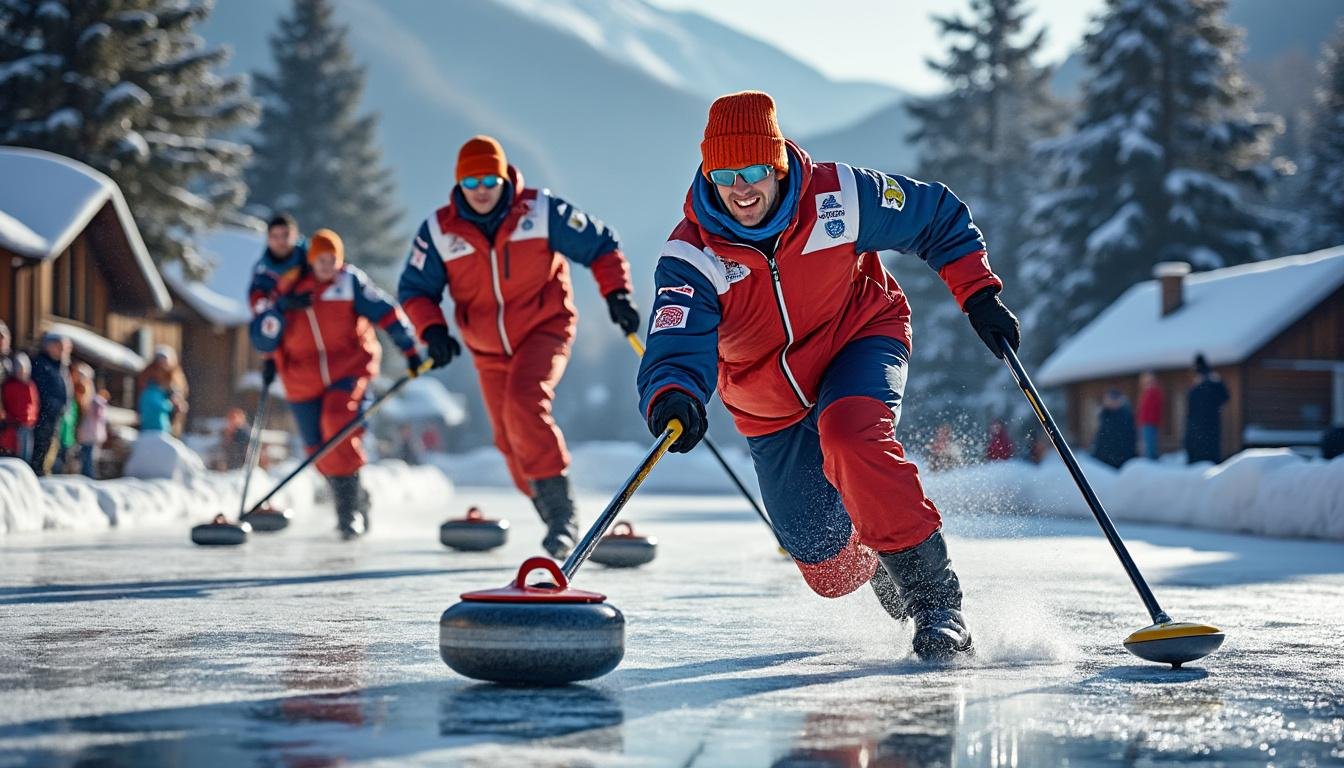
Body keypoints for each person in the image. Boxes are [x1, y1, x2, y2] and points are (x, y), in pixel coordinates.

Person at [636, 91, 1020, 661]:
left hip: (858, 339)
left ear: (779, 164)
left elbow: (936, 214)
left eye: (754, 171)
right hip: (766, 402)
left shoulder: (839, 198)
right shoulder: (692, 257)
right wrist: (673, 395)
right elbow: (676, 340)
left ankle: (937, 602)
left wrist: (978, 292)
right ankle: (884, 553)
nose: (741, 189)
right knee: (828, 568)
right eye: (724, 174)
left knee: (851, 434)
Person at [398, 135, 638, 559]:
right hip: (488, 348)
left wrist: (617, 295)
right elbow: (416, 289)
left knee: (525, 405)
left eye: (490, 178)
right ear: (459, 186)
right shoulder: (440, 231)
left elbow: (602, 245)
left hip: (544, 328)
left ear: (503, 175)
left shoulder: (540, 212)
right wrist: (432, 330)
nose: (483, 189)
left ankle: (563, 513)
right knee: (508, 441)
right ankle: (549, 513)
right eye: (472, 182)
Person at [252, 228, 423, 539]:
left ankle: (348, 514)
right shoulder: (290, 286)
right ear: (311, 260)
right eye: (321, 260)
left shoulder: (350, 283)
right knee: (317, 450)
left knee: (338, 424)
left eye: (333, 259)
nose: (328, 265)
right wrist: (281, 311)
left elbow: (386, 311)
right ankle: (356, 497)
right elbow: (264, 330)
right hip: (301, 379)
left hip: (348, 370)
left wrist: (409, 349)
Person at [30, 332, 71, 476]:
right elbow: (41, 391)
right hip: (43, 418)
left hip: (54, 418)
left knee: (51, 451)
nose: (64, 351)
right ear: (50, 346)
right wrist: (50, 408)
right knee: (40, 451)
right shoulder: (41, 364)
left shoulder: (59, 367)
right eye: (61, 347)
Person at [1184, 353, 1229, 464]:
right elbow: (1225, 397)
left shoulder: (1203, 383)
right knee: (1209, 449)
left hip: (1200, 424)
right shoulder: (1213, 380)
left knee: (1201, 451)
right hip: (1209, 423)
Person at [137, 348, 187, 433]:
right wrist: (169, 404)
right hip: (152, 425)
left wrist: (177, 403)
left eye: (166, 364)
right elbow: (152, 402)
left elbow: (178, 397)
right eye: (160, 363)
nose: (163, 367)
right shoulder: (149, 383)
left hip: (167, 424)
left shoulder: (174, 380)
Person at [0, 353, 39, 462]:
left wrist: (30, 419)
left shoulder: (30, 385)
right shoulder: (9, 386)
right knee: (14, 454)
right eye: (19, 369)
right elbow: (5, 405)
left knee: (26, 454)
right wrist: (11, 419)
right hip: (13, 426)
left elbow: (33, 405)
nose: (22, 372)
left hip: (27, 426)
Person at [72, 363, 106, 477]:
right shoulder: (81, 394)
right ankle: (87, 475)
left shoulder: (91, 396)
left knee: (88, 457)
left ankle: (88, 476)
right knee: (86, 456)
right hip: (87, 433)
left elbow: (98, 414)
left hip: (90, 433)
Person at [1092, 389, 1136, 469]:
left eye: (1113, 399)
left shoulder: (1125, 415)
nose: (1111, 402)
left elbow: (1128, 438)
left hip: (1121, 460)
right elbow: (1100, 436)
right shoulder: (1104, 415)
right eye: (1108, 399)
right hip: (1103, 460)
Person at [1136, 371, 1164, 460]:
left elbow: (1155, 409)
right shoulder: (1146, 392)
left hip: (1150, 423)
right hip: (1144, 424)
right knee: (1146, 447)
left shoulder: (1154, 391)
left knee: (1150, 447)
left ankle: (1153, 465)